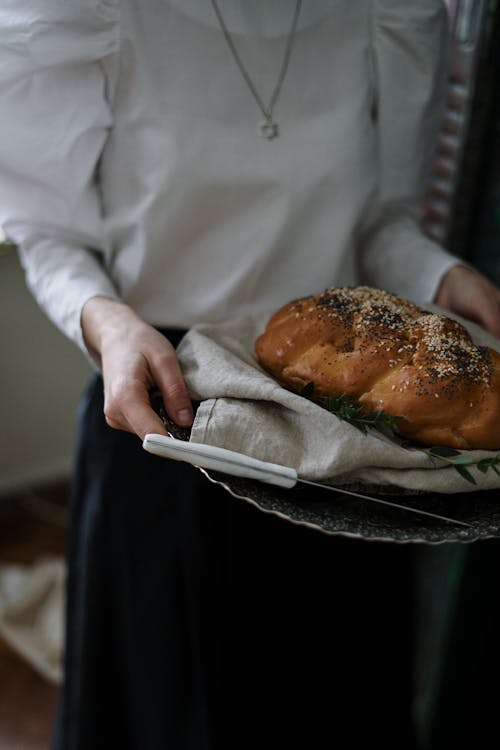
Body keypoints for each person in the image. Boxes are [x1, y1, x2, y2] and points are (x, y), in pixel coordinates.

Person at [1, 2, 500, 748]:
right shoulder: (93, 13)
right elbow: (49, 234)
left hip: (338, 446)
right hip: (161, 409)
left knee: (328, 704)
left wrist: (445, 274)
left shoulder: (388, 14)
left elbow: (381, 226)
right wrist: (108, 322)